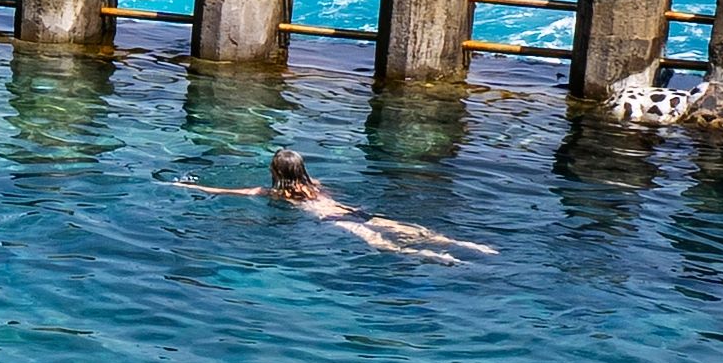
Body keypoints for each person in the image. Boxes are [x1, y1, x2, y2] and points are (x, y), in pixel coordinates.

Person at [178, 139, 490, 260]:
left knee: (382, 244)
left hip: (334, 221)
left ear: (276, 171)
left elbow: (227, 192)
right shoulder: (314, 184)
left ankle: (439, 257)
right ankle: (468, 245)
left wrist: (189, 186)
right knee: (410, 229)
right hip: (356, 211)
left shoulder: (276, 193)